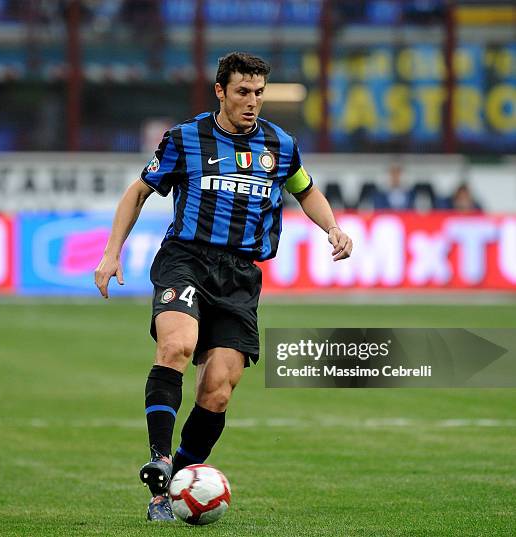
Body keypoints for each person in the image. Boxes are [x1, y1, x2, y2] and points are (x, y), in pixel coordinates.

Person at [94, 52, 353, 522]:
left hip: (239, 275)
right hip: (186, 260)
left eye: (258, 93)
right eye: (242, 92)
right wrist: (112, 252)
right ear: (220, 91)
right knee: (177, 345)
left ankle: (174, 480)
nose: (252, 102)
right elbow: (138, 190)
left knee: (217, 391)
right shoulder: (184, 138)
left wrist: (332, 227)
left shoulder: (281, 144)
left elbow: (305, 189)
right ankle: (159, 458)